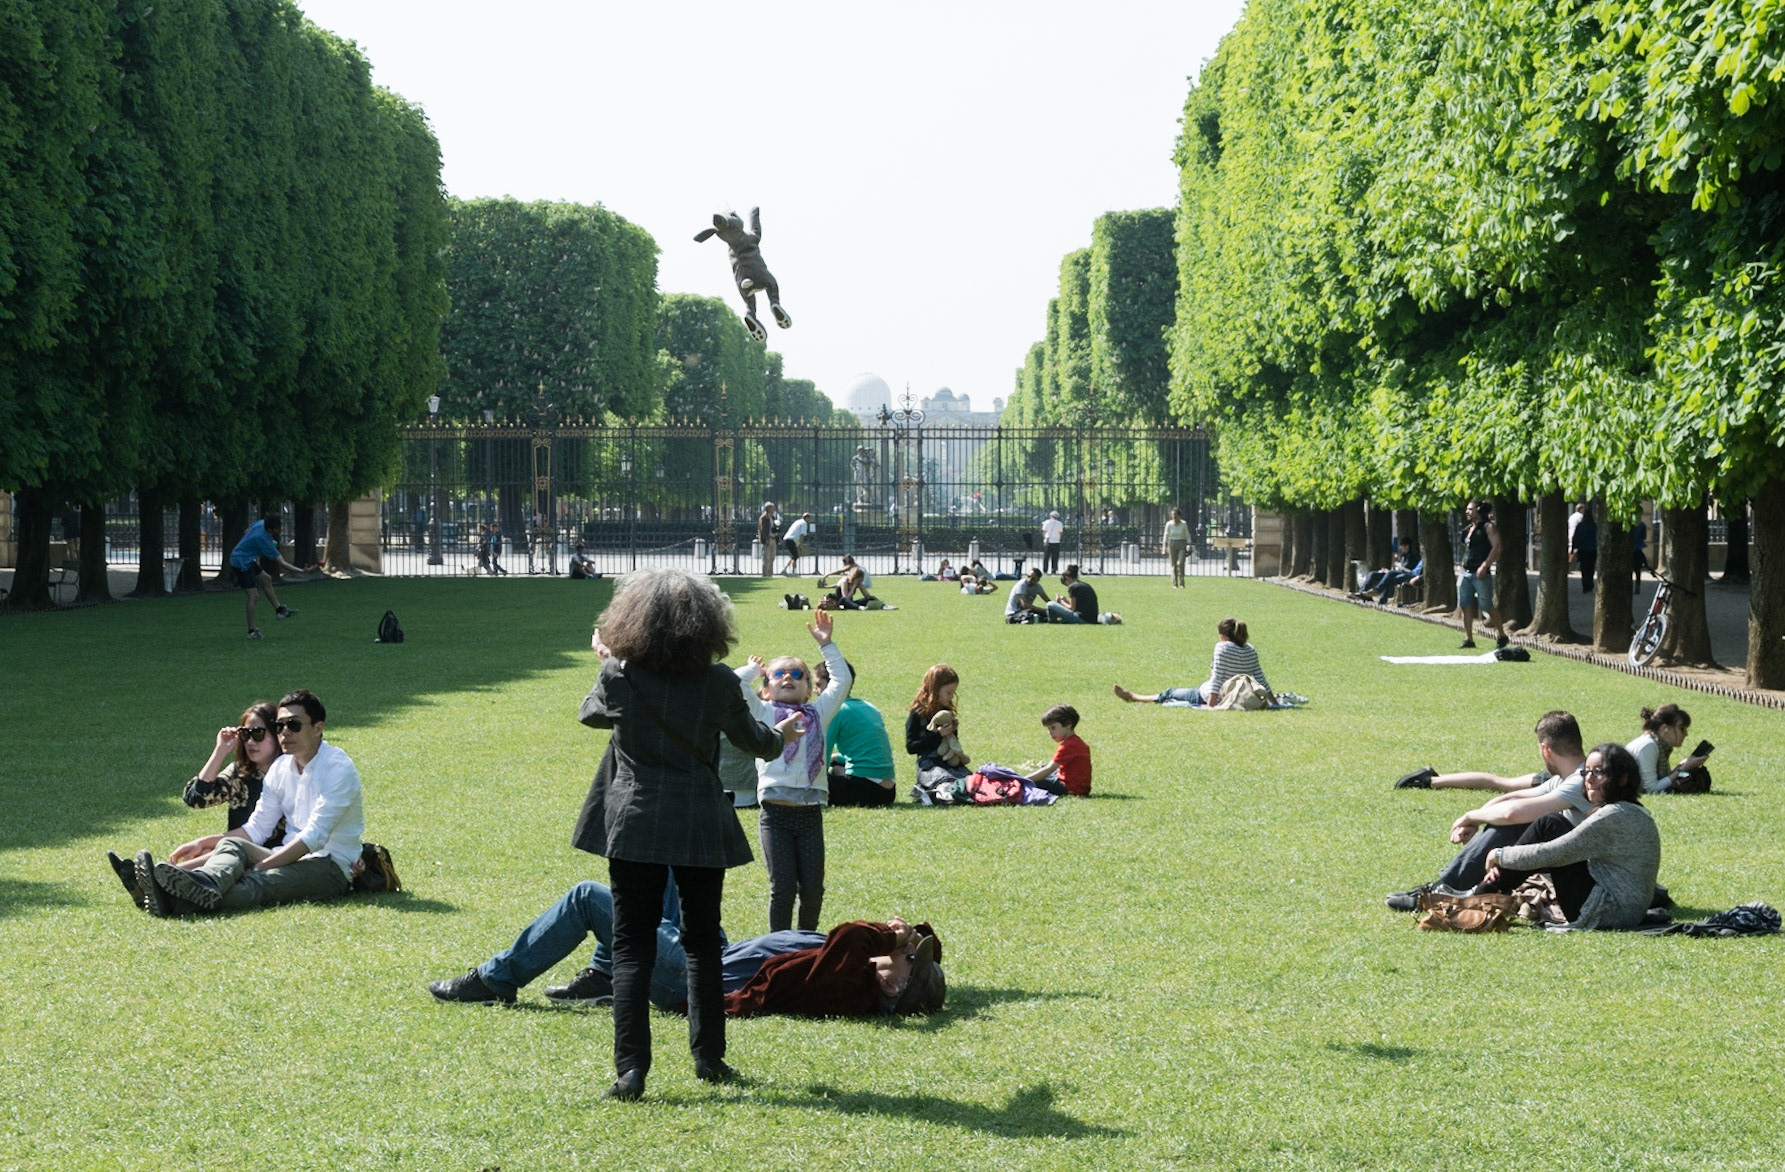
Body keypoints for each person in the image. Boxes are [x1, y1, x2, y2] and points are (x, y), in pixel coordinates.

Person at [571, 569, 804, 1100]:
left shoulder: (621, 676)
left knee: (631, 947)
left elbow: (591, 716)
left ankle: (631, 1070)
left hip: (634, 820)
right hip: (700, 819)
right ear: (706, 625)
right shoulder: (720, 680)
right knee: (703, 943)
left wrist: (607, 664)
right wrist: (782, 733)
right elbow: (757, 744)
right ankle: (709, 1058)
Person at [132, 690, 363, 916]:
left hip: (329, 866)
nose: (285, 733)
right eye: (279, 726)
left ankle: (165, 896)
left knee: (255, 883)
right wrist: (206, 841)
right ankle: (206, 881)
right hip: (286, 854)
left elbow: (314, 838)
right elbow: (256, 829)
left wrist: (261, 867)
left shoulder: (337, 768)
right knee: (233, 845)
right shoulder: (280, 768)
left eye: (293, 725)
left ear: (318, 728)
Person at [1384, 710, 1593, 909]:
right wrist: (1476, 819)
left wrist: (1471, 815)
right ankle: (1445, 887)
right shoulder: (1566, 778)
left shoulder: (1580, 780)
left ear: (1545, 749)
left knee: (1515, 825)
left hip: (1587, 877)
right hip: (1573, 862)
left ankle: (1443, 890)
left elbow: (1512, 814)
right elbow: (1511, 797)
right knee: (1505, 819)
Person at [740, 612, 852, 932]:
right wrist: (753, 669)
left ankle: (805, 946)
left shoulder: (818, 712)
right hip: (774, 815)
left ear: (809, 689)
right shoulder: (763, 712)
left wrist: (826, 645)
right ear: (766, 688)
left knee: (813, 891)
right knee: (783, 890)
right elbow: (734, 685)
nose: (787, 677)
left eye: (796, 674)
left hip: (809, 814)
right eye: (778, 673)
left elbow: (842, 681)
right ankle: (778, 949)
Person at [1472, 742, 1661, 930]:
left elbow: (1555, 852)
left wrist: (1499, 855)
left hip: (1604, 912)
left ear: (1622, 778)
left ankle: (1483, 895)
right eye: (1586, 772)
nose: (1589, 779)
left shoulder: (1613, 816)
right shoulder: (1632, 811)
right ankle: (1489, 892)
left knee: (1549, 825)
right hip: (1623, 910)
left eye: (1599, 772)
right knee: (1554, 824)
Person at [725, 916, 945, 1019]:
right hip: (732, 952)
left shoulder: (852, 991)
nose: (909, 951)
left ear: (890, 987)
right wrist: (911, 937)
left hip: (729, 974)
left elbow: (853, 936)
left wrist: (889, 938)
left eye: (912, 959)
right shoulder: (867, 969)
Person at [1112, 617, 1273, 707]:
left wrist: (1210, 706)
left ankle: (1135, 697)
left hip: (1212, 695)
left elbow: (1217, 679)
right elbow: (1260, 678)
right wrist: (1275, 703)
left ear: (1223, 636)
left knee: (1170, 693)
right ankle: (1137, 697)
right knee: (1178, 695)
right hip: (1240, 696)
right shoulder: (1250, 649)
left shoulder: (1222, 648)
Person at [817, 659, 897, 808]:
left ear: (832, 685)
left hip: (866, 790)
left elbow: (822, 756)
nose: (816, 691)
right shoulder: (869, 707)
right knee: (837, 762)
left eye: (818, 685)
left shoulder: (837, 711)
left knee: (805, 783)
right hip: (888, 791)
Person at [229, 514, 310, 640]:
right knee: (253, 595)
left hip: (245, 558)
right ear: (270, 529)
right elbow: (282, 563)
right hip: (241, 562)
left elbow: (247, 531)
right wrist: (301, 571)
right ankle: (251, 631)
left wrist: (250, 545)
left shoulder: (261, 523)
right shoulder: (264, 540)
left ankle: (279, 610)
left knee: (266, 579)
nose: (280, 530)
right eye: (278, 528)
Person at [907, 664, 970, 789]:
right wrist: (938, 735)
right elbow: (911, 747)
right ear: (935, 689)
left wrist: (953, 730)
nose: (951, 696)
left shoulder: (946, 712)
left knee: (969, 781)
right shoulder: (917, 713)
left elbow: (950, 743)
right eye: (948, 692)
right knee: (945, 782)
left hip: (948, 761)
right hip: (929, 765)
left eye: (953, 693)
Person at [1456, 499, 1506, 649]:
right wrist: (1461, 566)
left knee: (1487, 606)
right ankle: (1469, 639)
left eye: (1470, 509)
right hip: (1465, 573)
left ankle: (1502, 635)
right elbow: (1467, 550)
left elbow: (1497, 547)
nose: (1467, 512)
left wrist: (1485, 565)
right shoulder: (1466, 530)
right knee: (1465, 605)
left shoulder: (1488, 527)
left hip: (1481, 575)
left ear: (1478, 510)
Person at [1626, 704, 1708, 794]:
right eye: (1681, 728)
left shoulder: (1658, 745)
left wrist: (1681, 767)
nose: (1686, 734)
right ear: (1665, 729)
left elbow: (1661, 782)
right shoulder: (1649, 746)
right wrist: (1682, 769)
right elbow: (1651, 789)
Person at [1023, 704, 1091, 797]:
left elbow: (1049, 769)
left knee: (1036, 780)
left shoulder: (1068, 745)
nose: (1049, 732)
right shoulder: (1077, 742)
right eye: (1048, 728)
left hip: (1070, 789)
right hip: (1081, 788)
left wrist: (1024, 779)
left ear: (1067, 724)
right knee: (1045, 769)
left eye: (1053, 728)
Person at [1351, 537, 1423, 605]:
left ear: (1407, 546)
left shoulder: (1411, 558)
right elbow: (1397, 570)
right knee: (1372, 574)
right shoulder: (1402, 556)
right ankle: (1361, 593)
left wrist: (1394, 569)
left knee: (1390, 576)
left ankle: (1378, 591)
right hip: (1394, 573)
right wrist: (1388, 570)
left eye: (1401, 546)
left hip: (1407, 575)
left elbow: (1406, 571)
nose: (1400, 548)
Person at [1046, 564, 1122, 625]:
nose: (1067, 586)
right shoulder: (1083, 585)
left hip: (1081, 619)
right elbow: (1078, 606)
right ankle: (1059, 620)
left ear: (1067, 578)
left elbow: (1072, 609)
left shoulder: (1072, 587)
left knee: (1050, 604)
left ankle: (1053, 621)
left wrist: (1060, 601)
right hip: (1092, 619)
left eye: (1065, 584)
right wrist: (1065, 601)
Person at [1570, 503, 1598, 593]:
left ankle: (1585, 585)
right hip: (1592, 549)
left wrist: (1573, 548)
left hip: (1582, 550)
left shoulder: (1580, 526)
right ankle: (1590, 584)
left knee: (1584, 568)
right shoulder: (1594, 526)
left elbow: (1576, 537)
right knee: (1591, 568)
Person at [1163, 507, 1191, 588]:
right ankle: (1175, 584)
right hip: (1172, 543)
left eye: (1175, 515)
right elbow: (1166, 535)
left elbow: (1187, 534)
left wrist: (1189, 544)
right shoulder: (1169, 524)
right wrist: (1164, 547)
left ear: (1179, 516)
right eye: (1172, 515)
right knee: (1173, 564)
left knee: (1181, 562)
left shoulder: (1183, 524)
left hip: (1182, 543)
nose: (1174, 517)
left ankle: (1182, 582)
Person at [781, 511, 814, 576]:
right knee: (795, 556)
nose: (810, 520)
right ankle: (794, 572)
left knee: (793, 556)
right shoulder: (804, 523)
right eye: (810, 518)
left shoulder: (798, 521)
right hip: (791, 540)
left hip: (787, 539)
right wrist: (800, 545)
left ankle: (785, 569)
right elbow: (801, 535)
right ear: (807, 518)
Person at [756, 501, 778, 578]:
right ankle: (765, 574)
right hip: (767, 539)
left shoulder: (773, 517)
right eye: (772, 508)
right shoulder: (764, 517)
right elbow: (762, 530)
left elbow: (774, 528)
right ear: (768, 509)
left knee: (772, 557)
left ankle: (770, 574)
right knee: (766, 558)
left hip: (773, 538)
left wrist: (777, 538)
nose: (774, 510)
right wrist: (765, 539)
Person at [1631, 516, 1652, 580]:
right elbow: (1644, 537)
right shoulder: (1642, 525)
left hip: (1630, 549)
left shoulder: (1628, 524)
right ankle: (1638, 585)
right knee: (1638, 569)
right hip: (1637, 548)